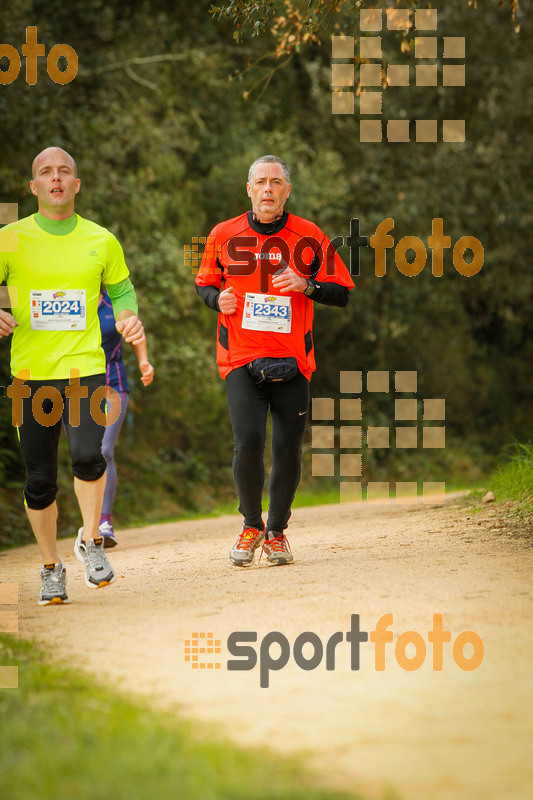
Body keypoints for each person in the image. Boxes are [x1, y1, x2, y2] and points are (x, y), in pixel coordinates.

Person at [0, 146, 146, 605]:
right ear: (34, 187)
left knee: (88, 456)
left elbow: (121, 288)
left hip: (86, 368)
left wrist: (127, 316)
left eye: (65, 171)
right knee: (39, 479)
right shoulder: (11, 238)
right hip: (31, 376)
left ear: (77, 185)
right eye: (46, 172)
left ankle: (92, 542)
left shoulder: (101, 240)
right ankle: (49, 567)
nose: (56, 178)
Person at [195, 155, 354, 567]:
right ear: (249, 189)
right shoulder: (223, 234)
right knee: (247, 443)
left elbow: (342, 293)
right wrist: (218, 300)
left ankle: (277, 532)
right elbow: (205, 285)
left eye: (276, 182)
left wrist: (307, 284)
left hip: (293, 362)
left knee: (287, 451)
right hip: (240, 359)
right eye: (261, 182)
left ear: (287, 190)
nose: (268, 189)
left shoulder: (310, 236)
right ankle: (251, 525)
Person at [98, 287, 154, 547]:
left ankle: (104, 522)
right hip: (76, 389)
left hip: (114, 385)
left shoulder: (114, 305)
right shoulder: (70, 303)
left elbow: (135, 328)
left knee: (105, 450)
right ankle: (89, 522)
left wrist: (144, 361)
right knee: (84, 454)